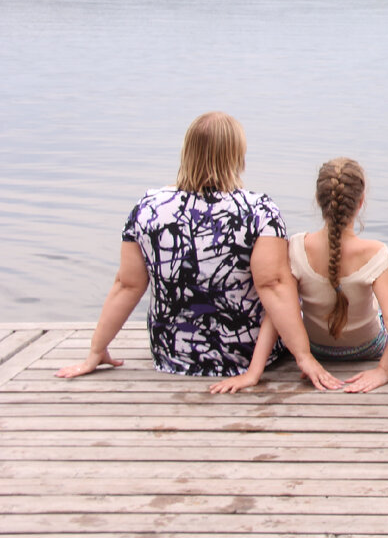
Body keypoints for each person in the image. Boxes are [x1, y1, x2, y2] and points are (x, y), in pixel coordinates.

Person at [56, 112, 341, 390]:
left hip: (172, 353)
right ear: (236, 156)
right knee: (287, 277)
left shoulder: (148, 207)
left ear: (187, 152)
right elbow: (274, 285)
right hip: (244, 354)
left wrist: (97, 349)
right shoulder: (259, 210)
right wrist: (304, 356)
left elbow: (128, 284)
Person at [210, 158, 388, 395]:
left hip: (315, 348)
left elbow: (276, 313)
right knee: (381, 312)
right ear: (361, 202)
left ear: (319, 201)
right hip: (367, 348)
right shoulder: (376, 253)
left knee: (284, 304)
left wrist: (253, 373)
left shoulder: (296, 247)